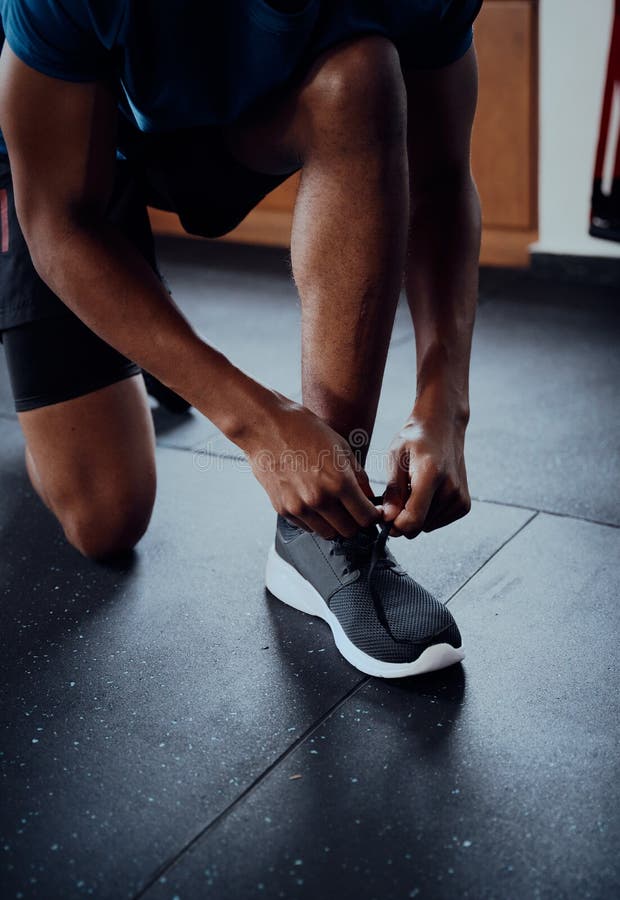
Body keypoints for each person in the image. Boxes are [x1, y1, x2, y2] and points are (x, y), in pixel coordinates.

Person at [0, 0, 482, 678]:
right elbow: (56, 216)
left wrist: (444, 402)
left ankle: (322, 539)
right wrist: (261, 425)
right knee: (105, 519)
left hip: (235, 126)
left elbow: (439, 178)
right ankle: (136, 311)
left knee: (361, 76)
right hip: (65, 156)